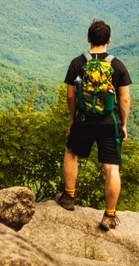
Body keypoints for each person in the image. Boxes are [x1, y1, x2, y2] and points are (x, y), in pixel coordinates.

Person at [55, 19, 131, 231]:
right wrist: (123, 124)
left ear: (88, 38)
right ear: (109, 40)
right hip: (110, 121)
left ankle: (69, 197)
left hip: (84, 120)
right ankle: (109, 215)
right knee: (111, 167)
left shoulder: (78, 63)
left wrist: (73, 118)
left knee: (71, 153)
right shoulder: (117, 66)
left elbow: (70, 97)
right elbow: (124, 100)